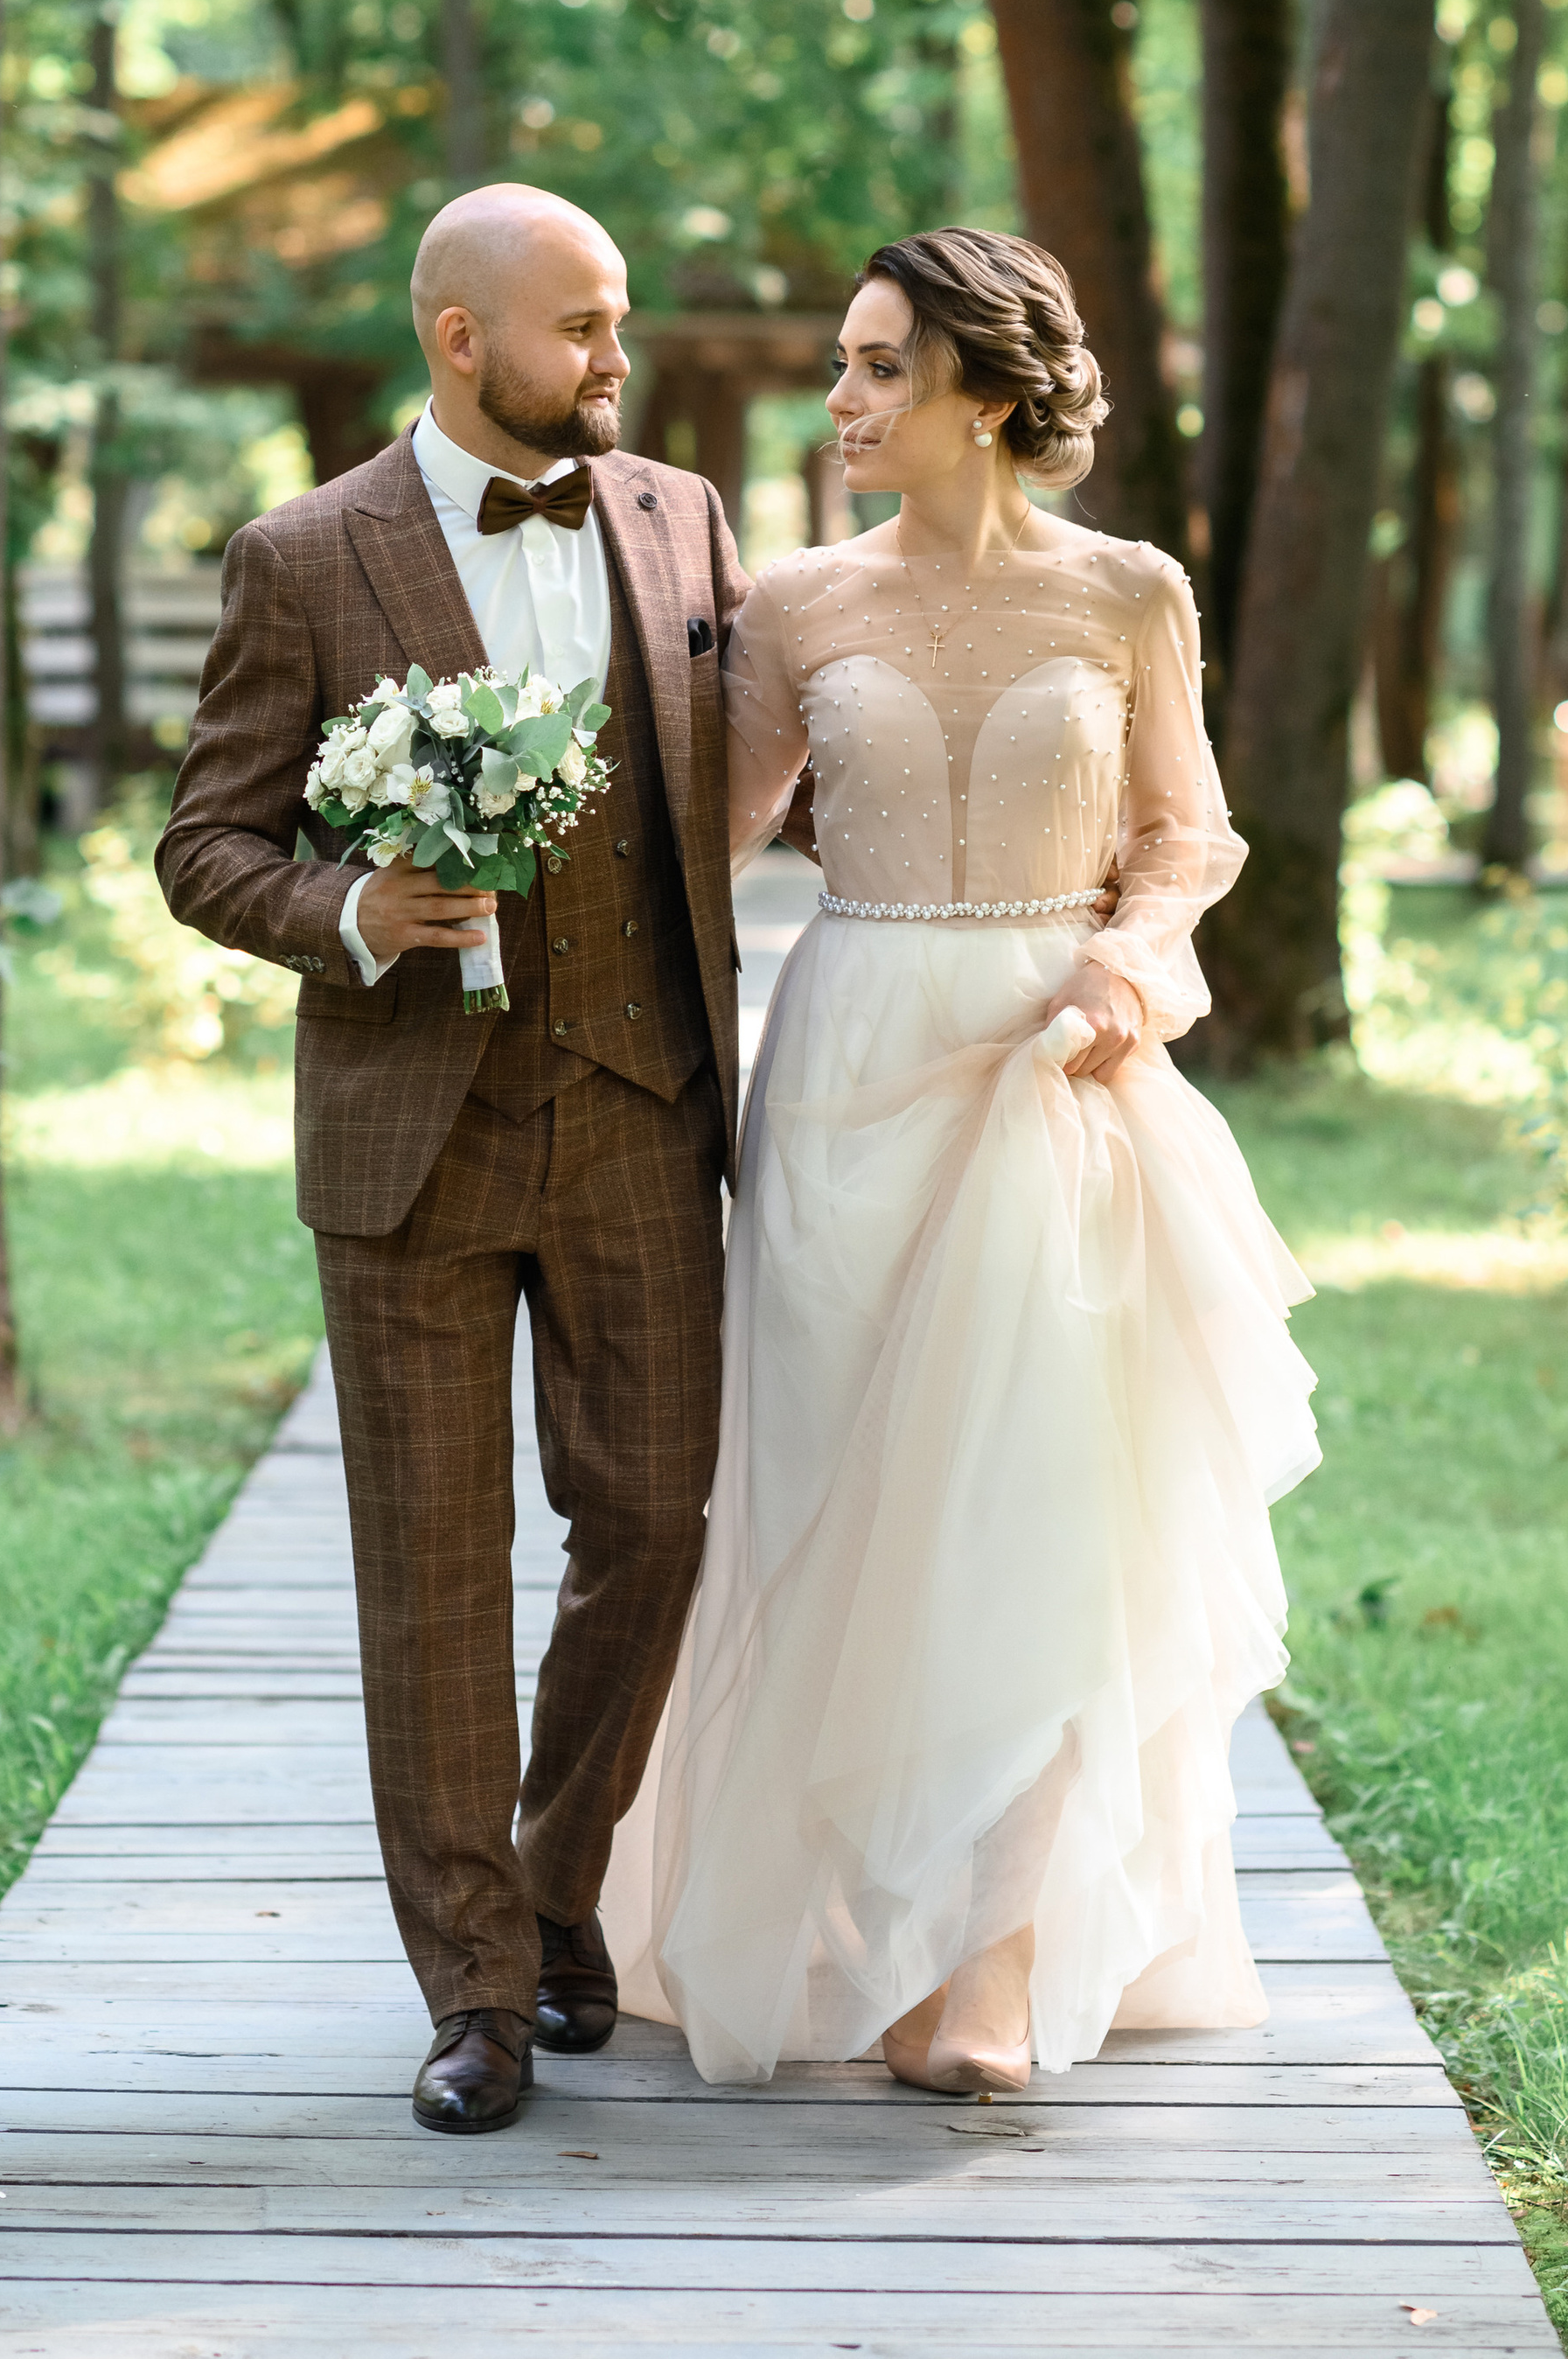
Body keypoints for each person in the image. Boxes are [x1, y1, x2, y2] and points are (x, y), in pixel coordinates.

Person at [601, 227, 1320, 2091]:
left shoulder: (1127, 594)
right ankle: (870, 1930)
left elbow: (1186, 838)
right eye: (842, 365)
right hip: (844, 1064)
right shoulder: (795, 607)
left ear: (988, 393)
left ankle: (989, 1969)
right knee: (846, 1498)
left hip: (1056, 1070)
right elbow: (701, 835)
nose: (837, 400)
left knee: (1038, 1503)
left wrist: (1122, 973)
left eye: (876, 368)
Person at [157, 186, 745, 2137]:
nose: (614, 357)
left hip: (640, 1109)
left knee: (650, 1524)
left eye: (619, 321)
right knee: (427, 1577)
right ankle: (477, 1988)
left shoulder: (676, 519)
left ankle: (555, 1872)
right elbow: (203, 845)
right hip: (407, 1135)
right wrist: (349, 908)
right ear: (458, 336)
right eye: (580, 325)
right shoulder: (303, 554)